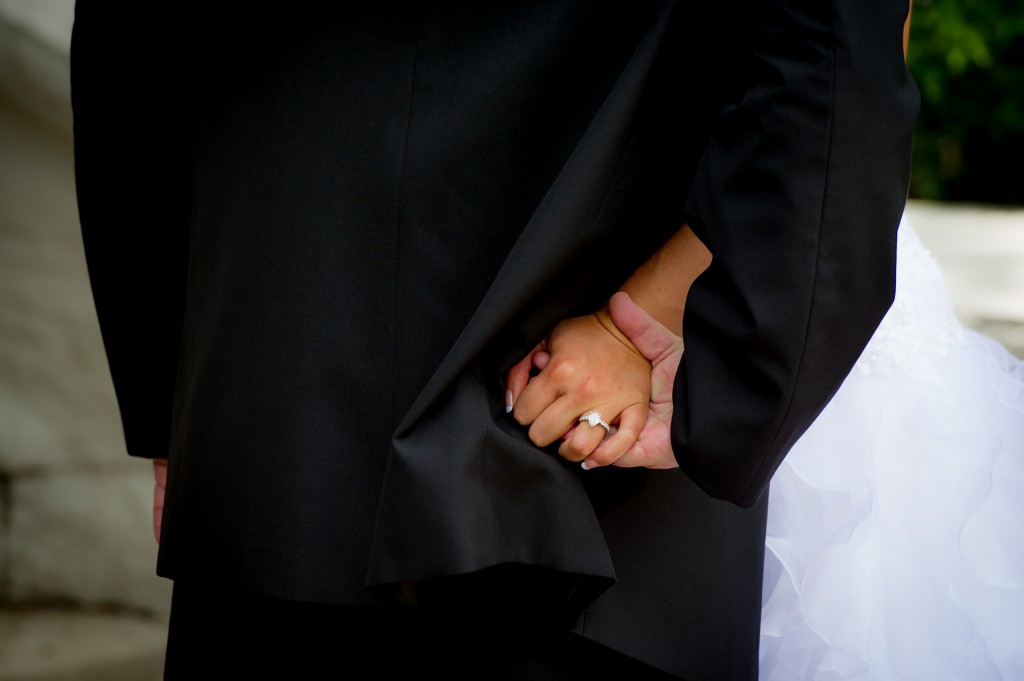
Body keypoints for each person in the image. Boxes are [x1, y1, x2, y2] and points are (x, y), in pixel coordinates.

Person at [70, 1, 916, 679]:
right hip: (588, 446)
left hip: (282, 418)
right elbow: (831, 42)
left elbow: (128, 48)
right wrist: (689, 320)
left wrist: (173, 391)